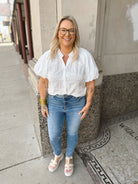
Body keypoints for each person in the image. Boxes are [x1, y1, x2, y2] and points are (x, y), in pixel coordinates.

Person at [34, 15, 99, 176]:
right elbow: (42, 82)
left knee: (72, 133)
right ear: (58, 33)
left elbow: (90, 83)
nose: (67, 34)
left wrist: (88, 103)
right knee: (53, 134)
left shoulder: (84, 56)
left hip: (76, 103)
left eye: (71, 30)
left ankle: (69, 156)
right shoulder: (49, 56)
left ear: (75, 34)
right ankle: (58, 154)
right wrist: (43, 103)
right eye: (63, 30)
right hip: (55, 102)